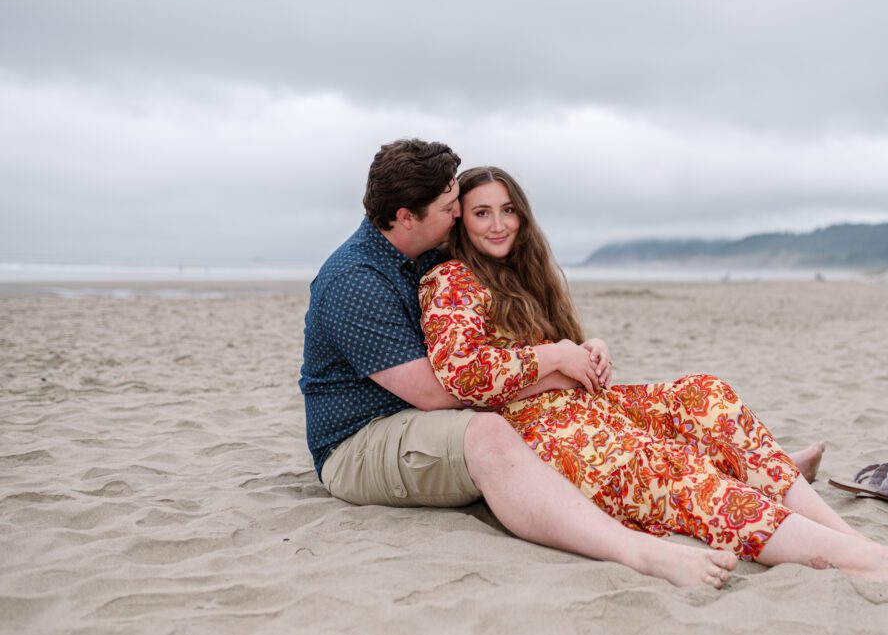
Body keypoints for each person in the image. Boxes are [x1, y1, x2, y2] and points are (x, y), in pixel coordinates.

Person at [418, 165, 888, 585]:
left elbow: (559, 349)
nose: (498, 223)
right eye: (482, 213)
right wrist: (558, 359)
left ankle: (845, 533)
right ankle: (867, 560)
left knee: (704, 395)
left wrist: (589, 347)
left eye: (507, 209)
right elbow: (463, 376)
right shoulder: (451, 281)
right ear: (460, 224)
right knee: (677, 469)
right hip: (542, 436)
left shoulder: (528, 273)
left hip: (589, 405)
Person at [299, 139, 738, 590]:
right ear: (407, 216)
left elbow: (498, 334)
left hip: (427, 417)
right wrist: (556, 369)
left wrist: (581, 351)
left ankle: (743, 473)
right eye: (451, 207)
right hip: (361, 441)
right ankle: (635, 550)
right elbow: (432, 394)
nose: (459, 213)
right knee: (490, 434)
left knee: (604, 413)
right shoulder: (354, 282)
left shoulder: (425, 250)